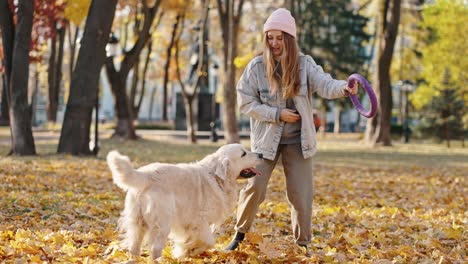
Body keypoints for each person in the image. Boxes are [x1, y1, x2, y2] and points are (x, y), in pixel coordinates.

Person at [225, 8, 357, 250]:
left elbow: (325, 83)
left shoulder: (305, 64)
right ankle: (239, 236)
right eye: (270, 37)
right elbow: (245, 102)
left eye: (279, 37)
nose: (274, 43)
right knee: (254, 188)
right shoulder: (256, 67)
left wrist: (345, 88)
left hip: (298, 142)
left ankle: (303, 244)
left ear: (289, 38)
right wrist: (276, 114)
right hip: (265, 143)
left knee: (301, 195)